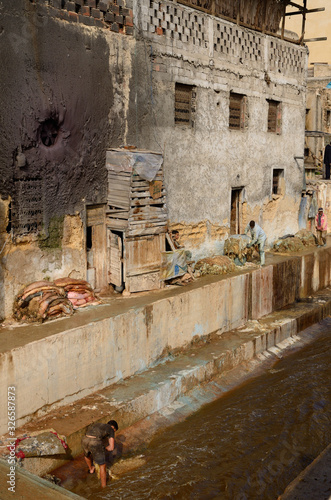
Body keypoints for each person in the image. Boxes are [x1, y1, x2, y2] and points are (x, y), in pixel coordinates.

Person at [81, 420, 118, 488]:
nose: (113, 433)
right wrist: (103, 449)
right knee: (102, 465)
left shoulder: (99, 425)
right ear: (113, 427)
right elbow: (111, 447)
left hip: (84, 439)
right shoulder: (111, 429)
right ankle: (103, 486)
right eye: (115, 431)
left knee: (87, 454)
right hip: (94, 442)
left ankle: (91, 469)